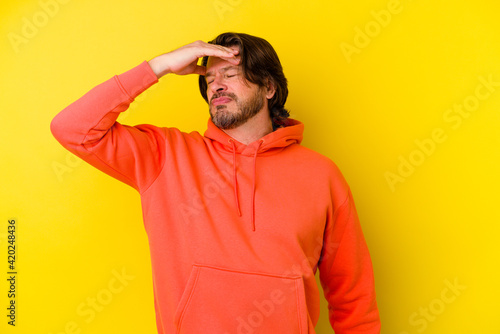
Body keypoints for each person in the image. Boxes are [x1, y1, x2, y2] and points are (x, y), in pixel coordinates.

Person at [51, 32, 381, 333]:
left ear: (269, 87)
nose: (216, 85)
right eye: (210, 78)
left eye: (230, 74)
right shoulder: (164, 156)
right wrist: (160, 66)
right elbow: (72, 129)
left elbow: (353, 298)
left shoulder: (322, 175)